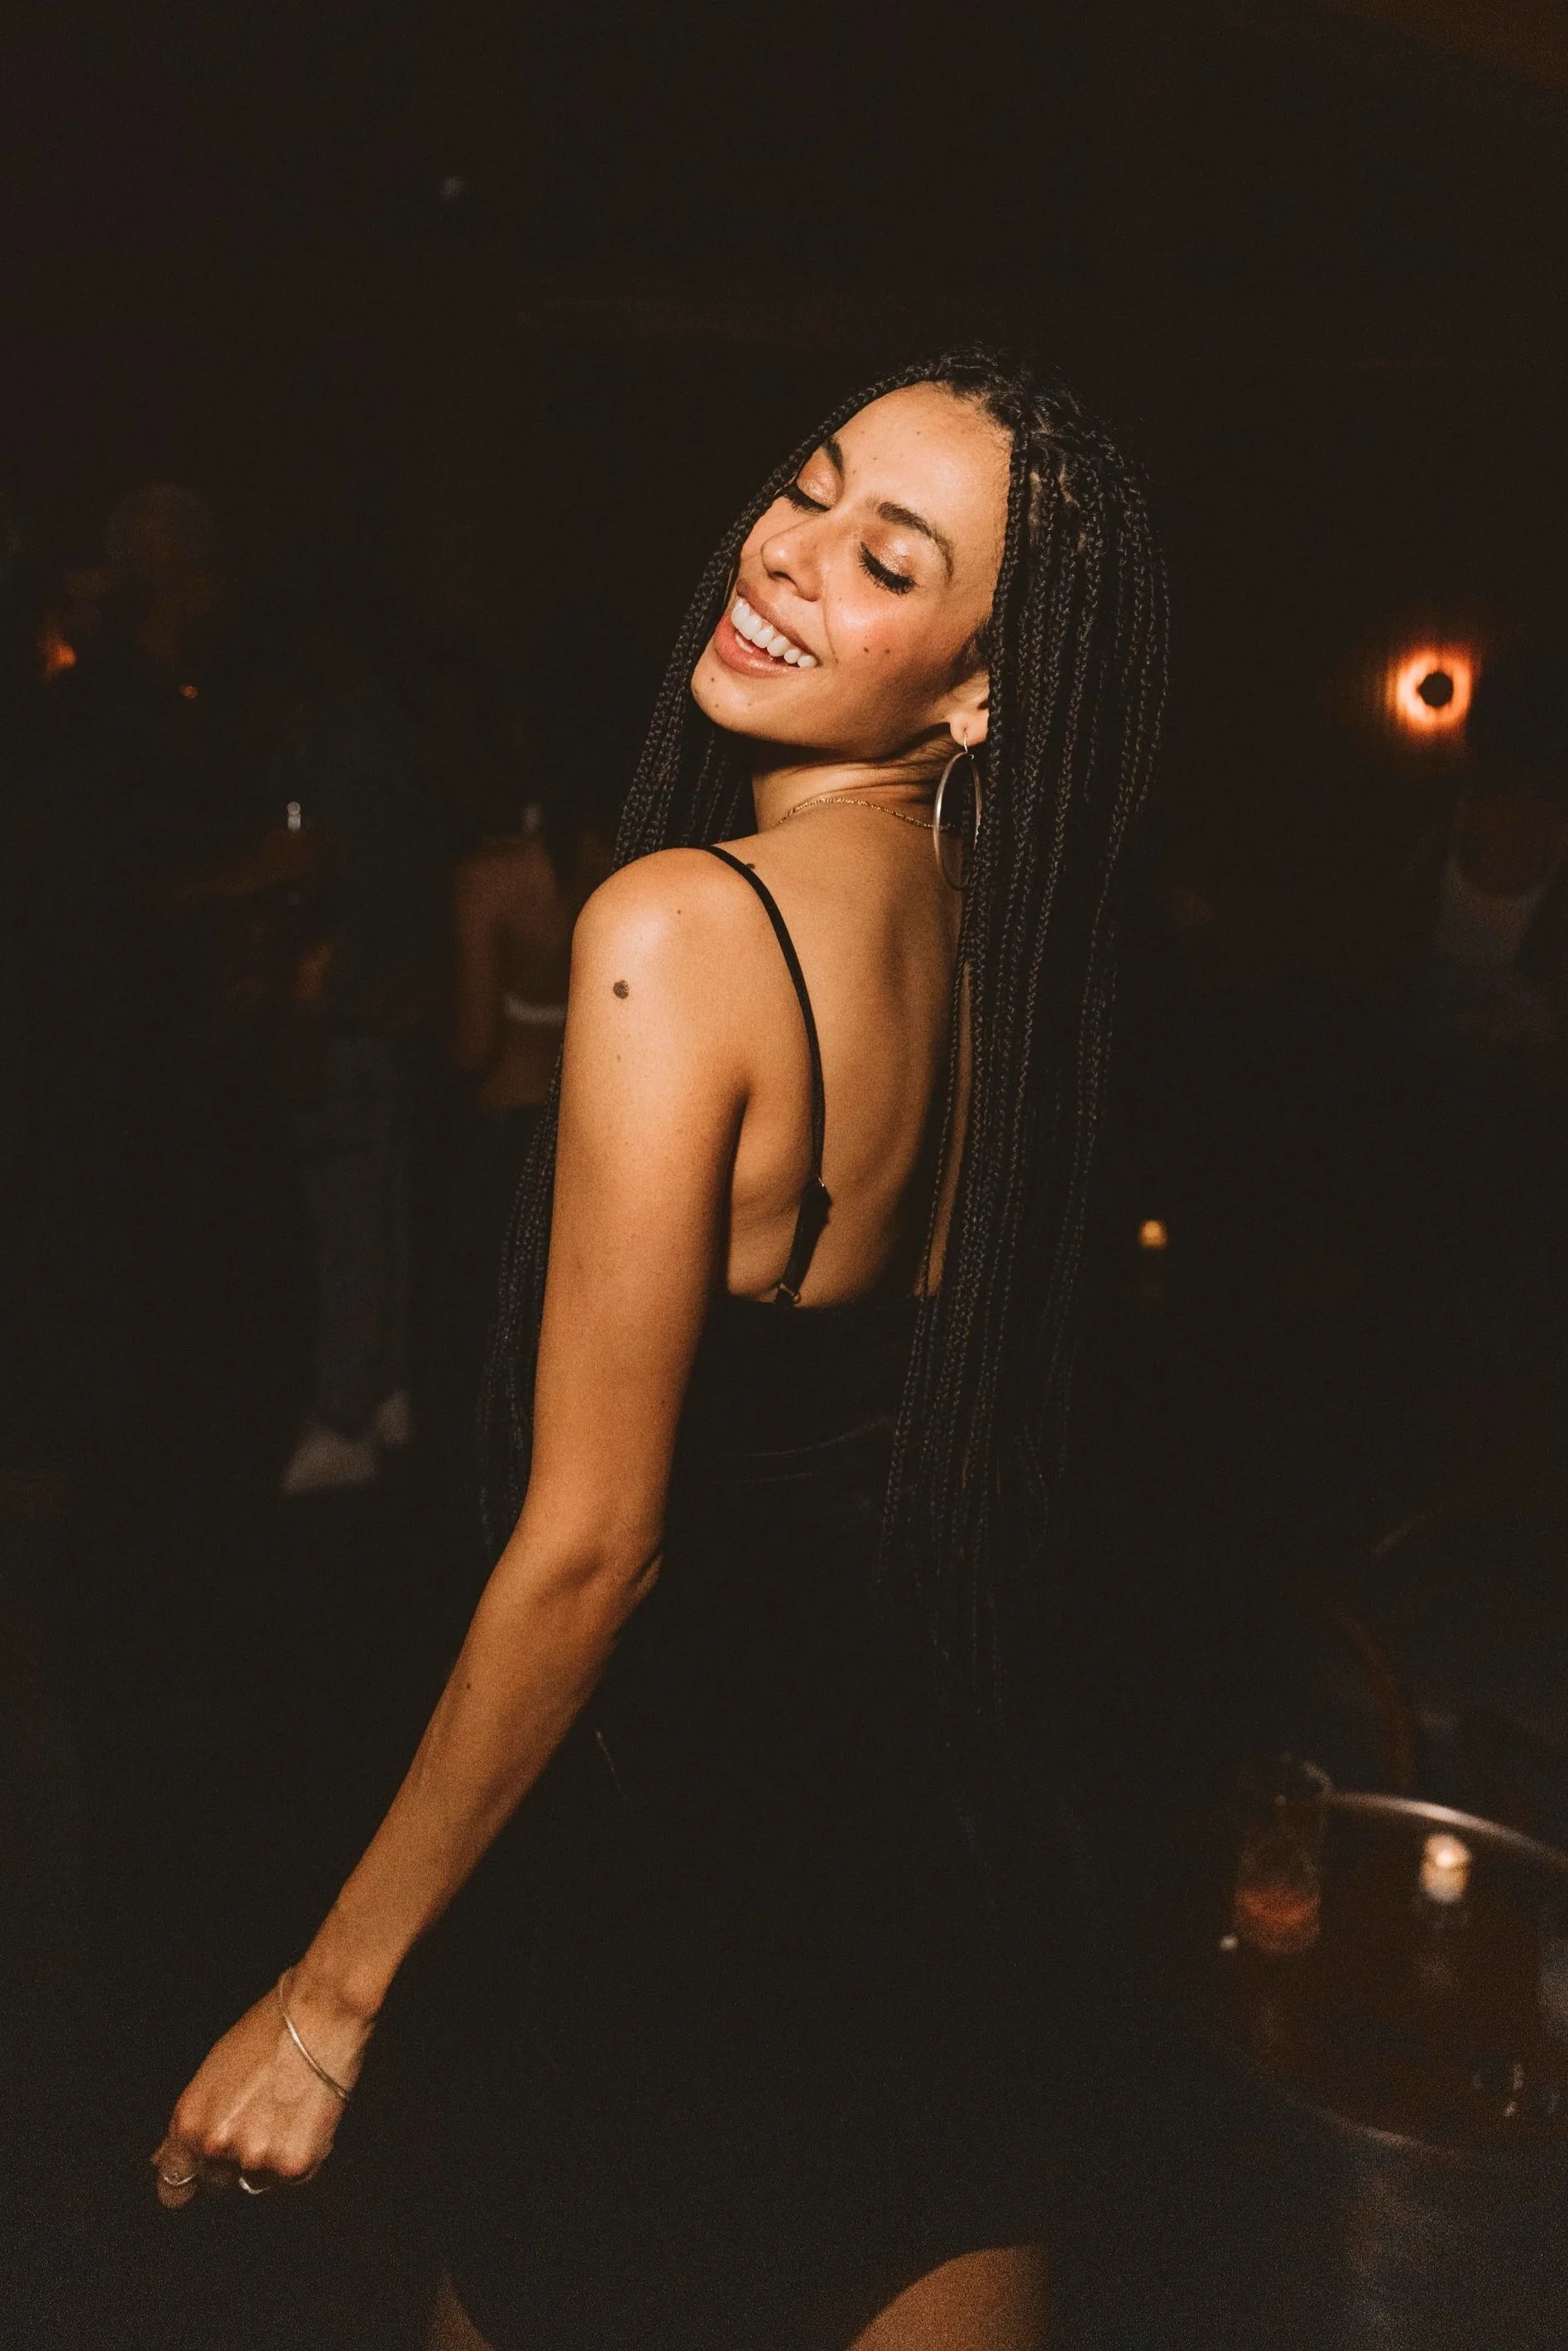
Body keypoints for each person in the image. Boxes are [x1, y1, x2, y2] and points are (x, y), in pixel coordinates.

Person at [152, 351, 1168, 2349]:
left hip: (692, 1874)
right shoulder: (997, 937)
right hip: (935, 1843)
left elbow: (594, 1543)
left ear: (975, 690)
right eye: (803, 489)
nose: (786, 556)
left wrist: (327, 1999)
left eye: (883, 557)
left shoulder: (685, 926)